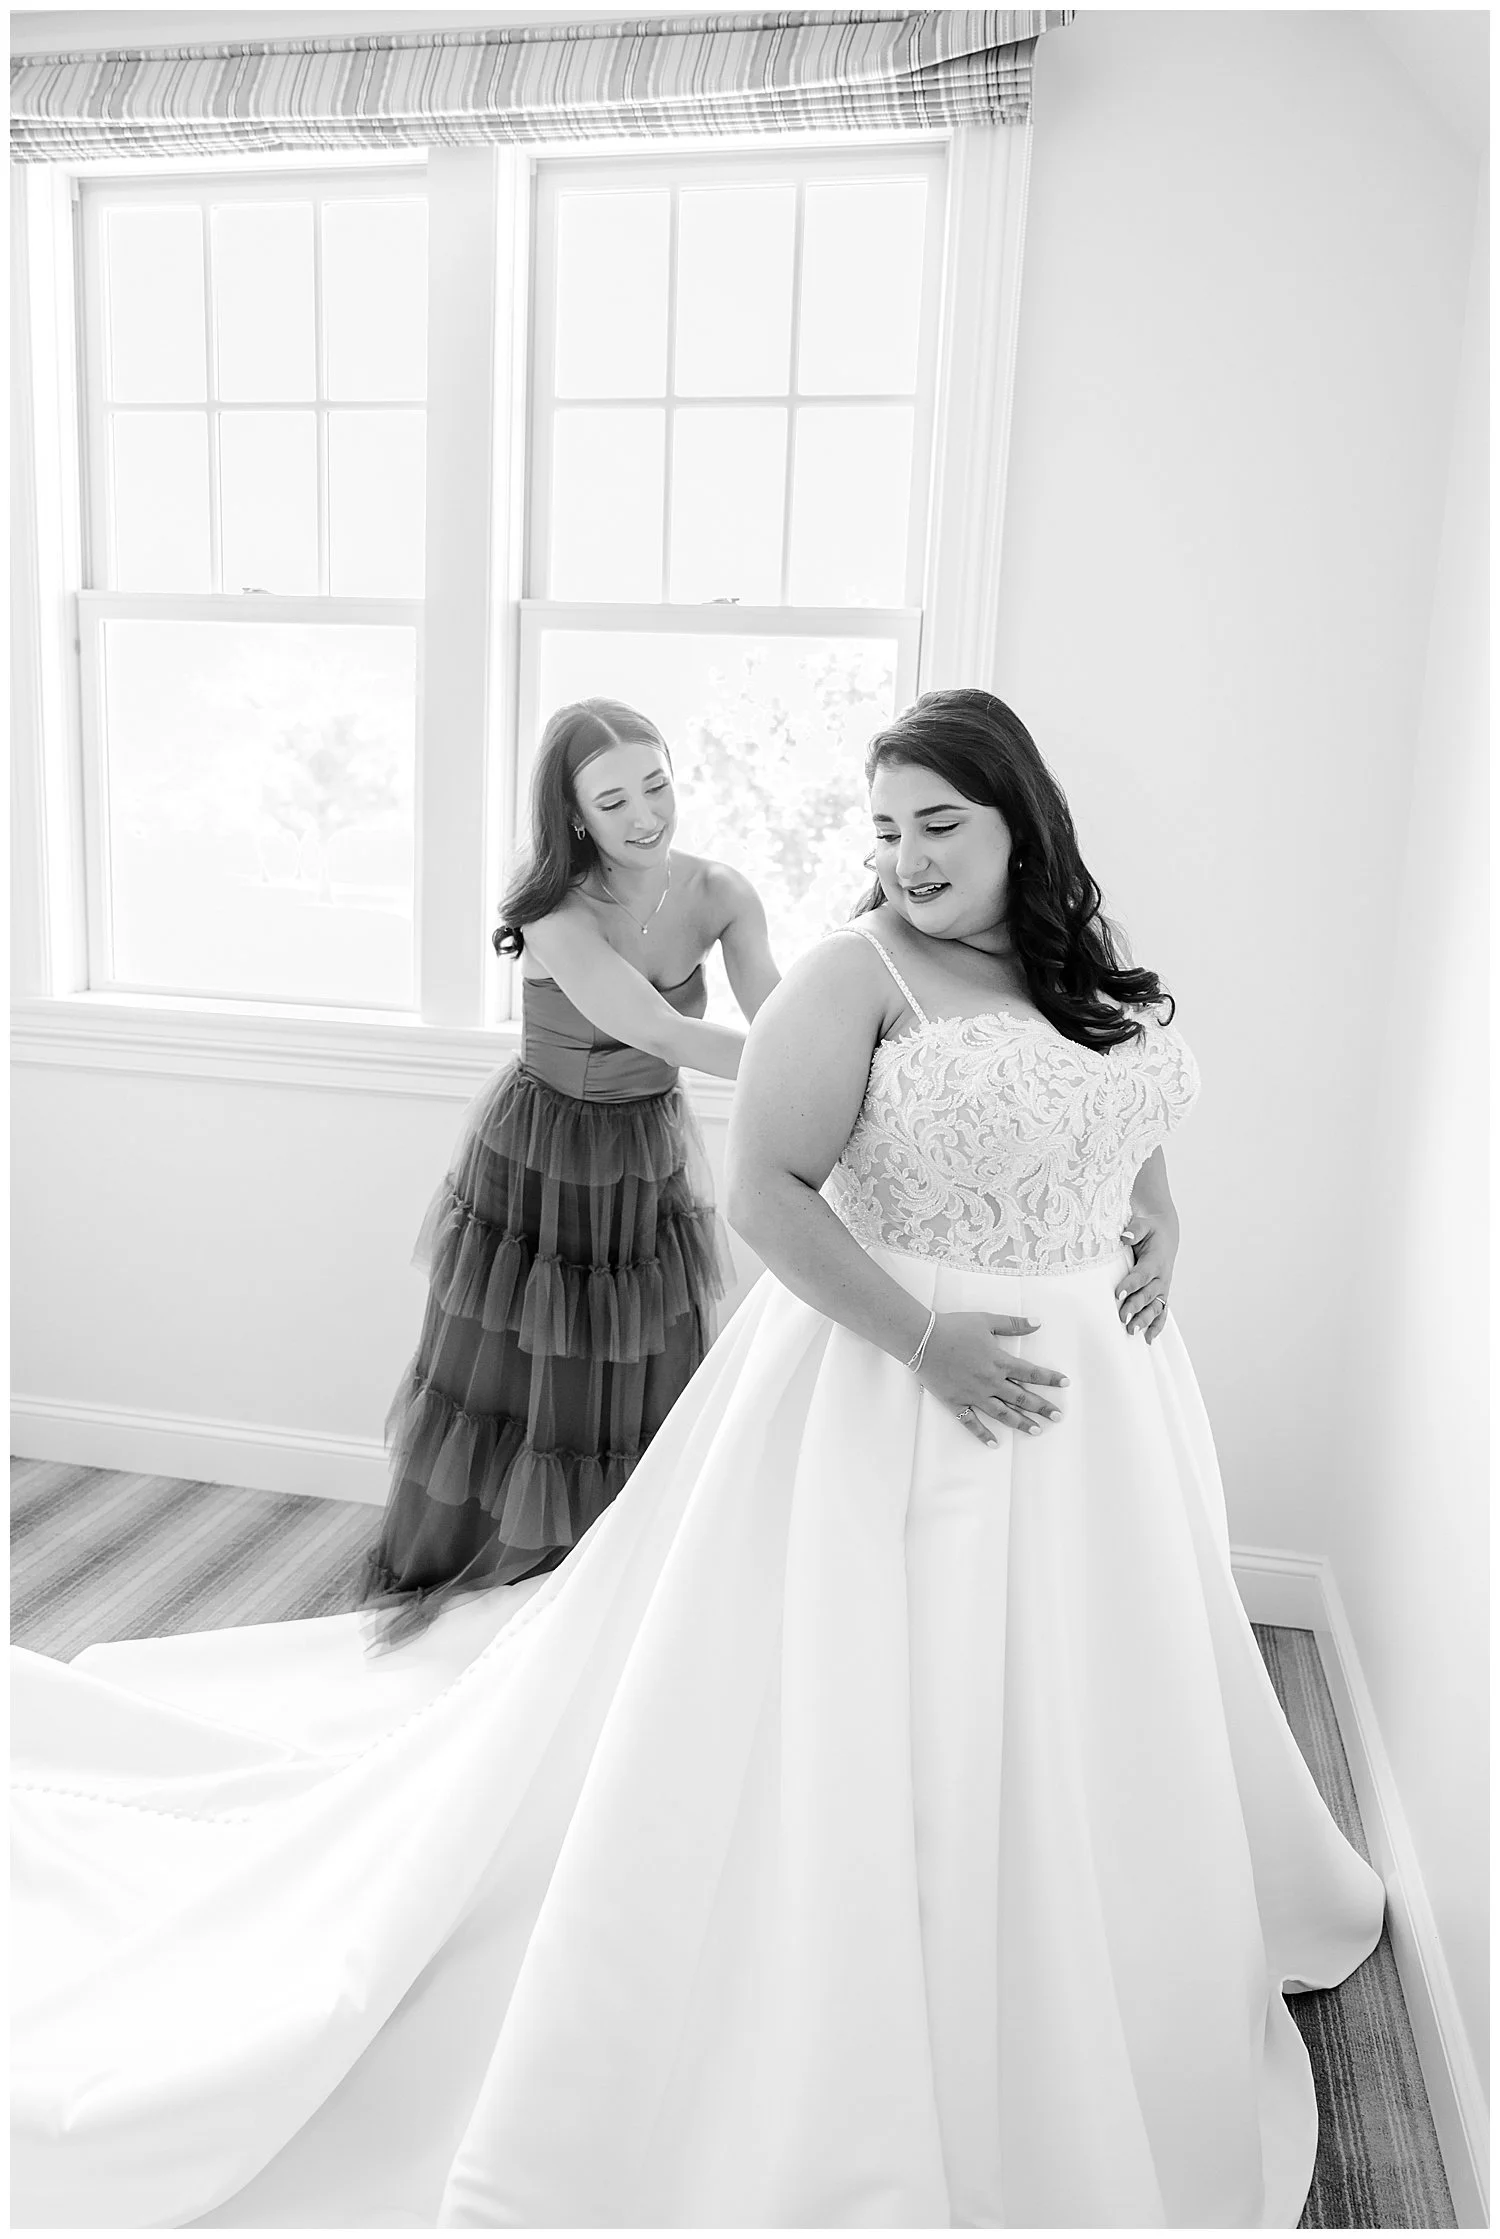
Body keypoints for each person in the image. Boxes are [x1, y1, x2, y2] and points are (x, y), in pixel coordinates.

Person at [11, 689, 1383, 2231]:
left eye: (940, 824)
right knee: (883, 1708)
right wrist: (927, 1340)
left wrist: (1161, 1215)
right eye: (885, 828)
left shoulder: (1078, 954)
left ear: (1022, 824)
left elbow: (1119, 1094)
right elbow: (769, 1194)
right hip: (904, 1386)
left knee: (1090, 1685)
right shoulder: (856, 974)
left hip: (1107, 1408)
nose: (908, 857)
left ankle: (1090, 1942)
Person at [362, 697, 779, 1638]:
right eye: (613, 800)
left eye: (657, 785)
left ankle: (618, 1589)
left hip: (645, 1150)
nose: (645, 815)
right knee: (526, 1372)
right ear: (575, 815)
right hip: (544, 1151)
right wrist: (818, 1074)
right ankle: (510, 1579)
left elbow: (780, 1015)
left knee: (639, 1363)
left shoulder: (721, 890)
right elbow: (661, 1029)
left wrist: (855, 1052)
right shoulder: (553, 906)